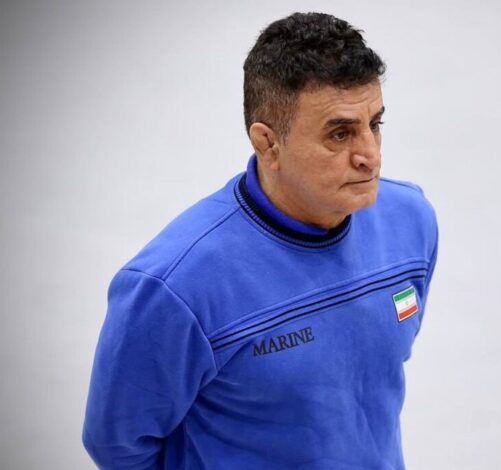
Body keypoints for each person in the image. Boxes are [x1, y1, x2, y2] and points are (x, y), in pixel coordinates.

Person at [82, 11, 438, 469]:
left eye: (375, 124)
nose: (370, 155)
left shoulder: (411, 222)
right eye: (340, 133)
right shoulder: (173, 287)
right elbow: (118, 445)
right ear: (268, 143)